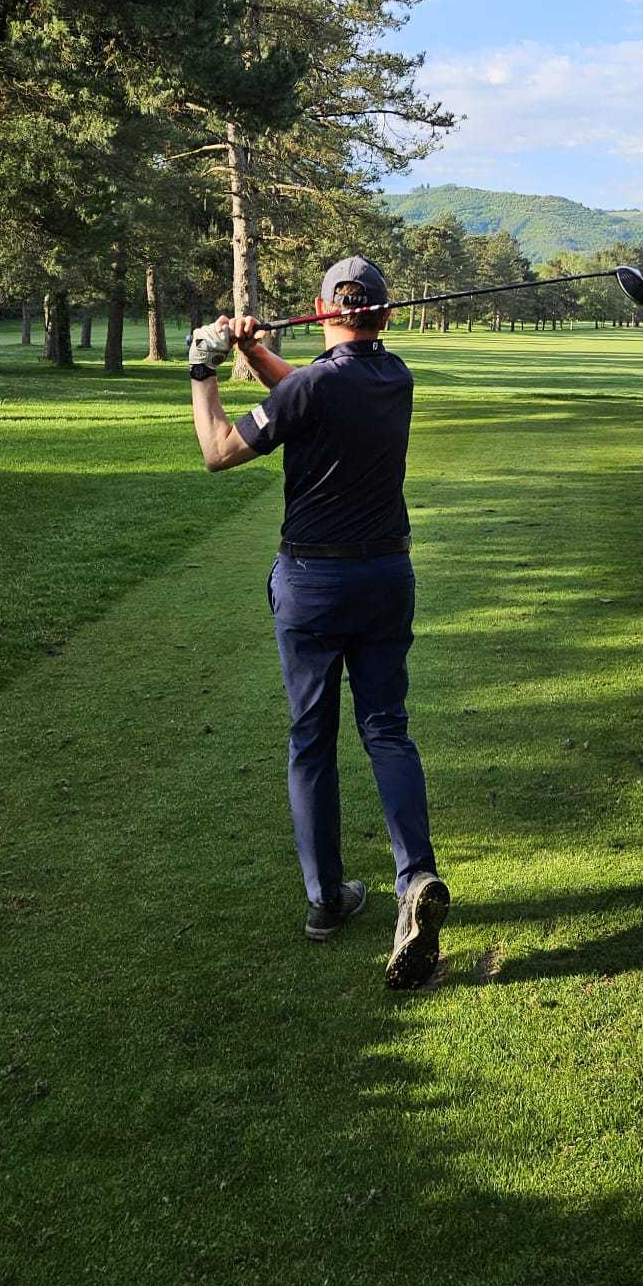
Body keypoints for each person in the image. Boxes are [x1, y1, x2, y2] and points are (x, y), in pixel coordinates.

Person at [185, 256, 448, 991]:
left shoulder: (311, 387)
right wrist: (251, 350)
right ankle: (415, 879)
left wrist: (203, 367)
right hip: (386, 575)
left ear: (323, 308)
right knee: (387, 730)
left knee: (312, 738)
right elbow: (306, 390)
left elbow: (218, 451)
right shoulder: (394, 377)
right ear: (385, 316)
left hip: (313, 584)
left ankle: (327, 901)